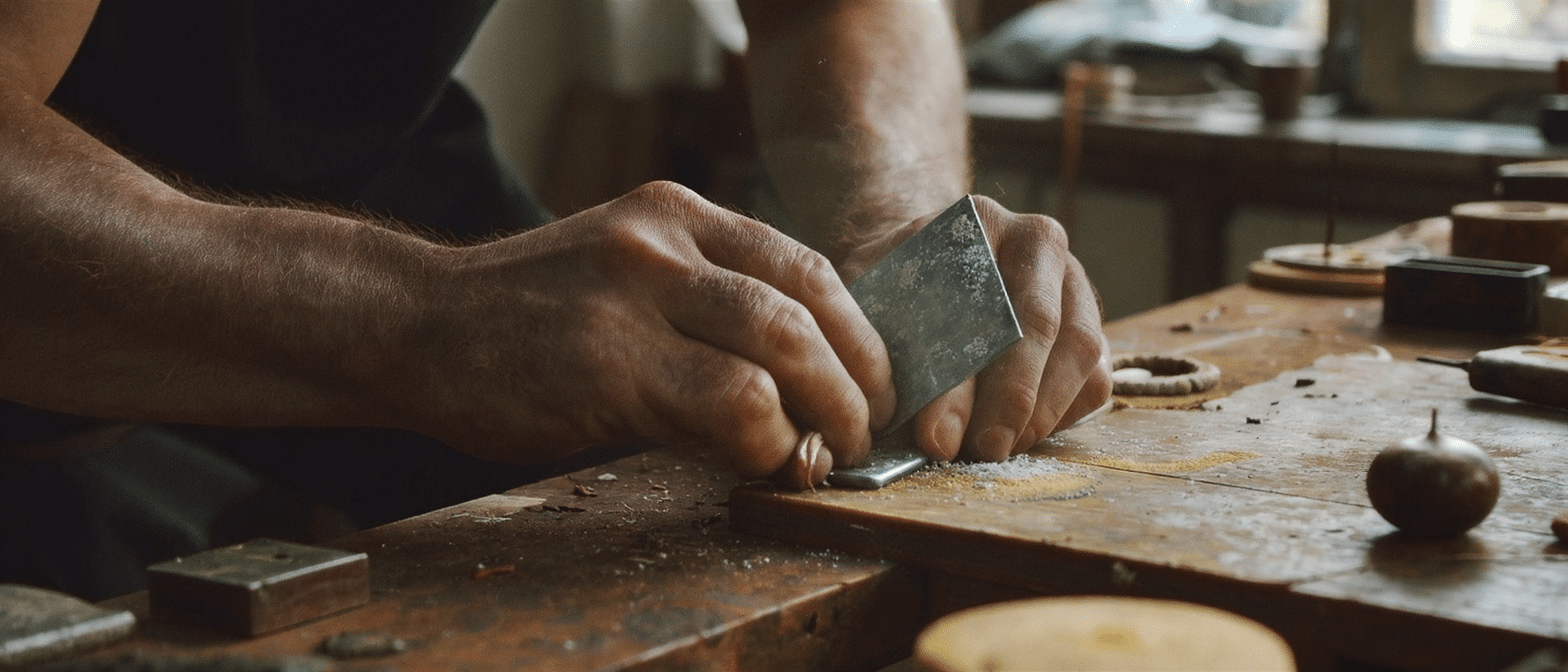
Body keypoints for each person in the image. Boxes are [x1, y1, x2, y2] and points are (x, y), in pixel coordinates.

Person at [0, 0, 1111, 599]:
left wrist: (892, 216)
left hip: (373, 182)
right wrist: (422, 321)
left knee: (674, 510)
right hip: (53, 268)